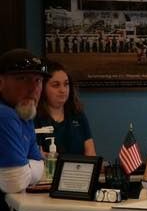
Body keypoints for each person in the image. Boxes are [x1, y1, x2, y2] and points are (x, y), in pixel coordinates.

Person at [0, 49, 49, 194]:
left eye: (38, 80)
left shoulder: (24, 114)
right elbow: (14, 183)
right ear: (1, 82)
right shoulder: (4, 115)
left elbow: (41, 167)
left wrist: (26, 168)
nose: (33, 88)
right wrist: (29, 168)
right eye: (23, 78)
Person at [35, 61, 97, 157]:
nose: (63, 90)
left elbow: (90, 154)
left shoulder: (78, 115)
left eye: (66, 84)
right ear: (42, 87)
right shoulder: (34, 118)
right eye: (56, 85)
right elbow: (34, 155)